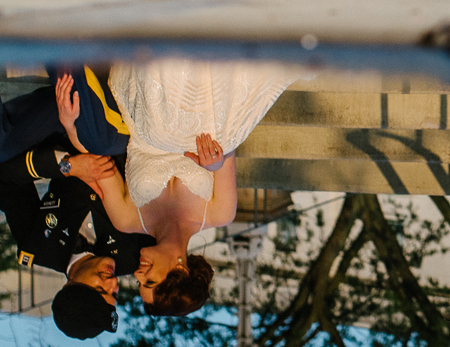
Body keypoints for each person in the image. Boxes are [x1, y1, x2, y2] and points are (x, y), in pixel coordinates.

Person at [0, 68, 147, 340]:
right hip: (113, 129)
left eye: (100, 289)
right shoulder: (137, 255)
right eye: (114, 293)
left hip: (57, 124)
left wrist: (67, 166)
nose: (113, 282)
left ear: (70, 285)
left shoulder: (37, 246)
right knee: (99, 136)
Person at [85, 59, 302, 316]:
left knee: (162, 126)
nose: (137, 274)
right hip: (204, 124)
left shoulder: (125, 219)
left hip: (149, 115)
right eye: (149, 281)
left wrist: (68, 125)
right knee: (224, 134)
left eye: (140, 282)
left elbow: (94, 165)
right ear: (180, 271)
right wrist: (216, 163)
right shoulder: (220, 214)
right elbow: (227, 151)